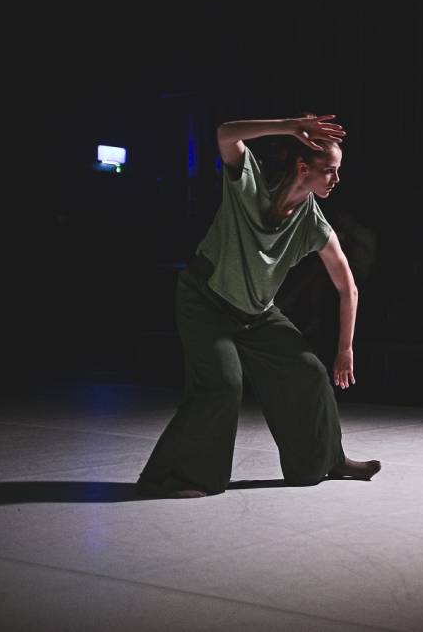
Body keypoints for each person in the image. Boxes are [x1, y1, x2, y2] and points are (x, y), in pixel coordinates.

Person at [138, 114, 380, 498]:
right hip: (206, 301)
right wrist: (288, 125)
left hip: (257, 314)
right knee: (223, 385)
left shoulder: (313, 224)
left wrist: (344, 348)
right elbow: (224, 134)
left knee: (309, 372)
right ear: (304, 167)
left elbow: (347, 286)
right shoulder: (250, 184)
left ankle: (327, 459)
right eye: (330, 171)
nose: (336, 180)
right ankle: (175, 476)